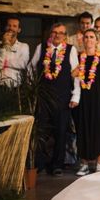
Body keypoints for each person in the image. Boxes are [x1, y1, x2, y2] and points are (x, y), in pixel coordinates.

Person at [30, 23, 80, 175]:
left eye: (61, 33)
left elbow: (76, 74)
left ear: (65, 36)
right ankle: (39, 163)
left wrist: (76, 95)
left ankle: (57, 164)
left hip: (63, 97)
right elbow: (31, 68)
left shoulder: (71, 50)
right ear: (50, 34)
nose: (57, 35)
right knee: (41, 131)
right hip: (43, 97)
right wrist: (31, 91)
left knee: (61, 131)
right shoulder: (41, 47)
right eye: (55, 32)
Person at [74, 29, 100, 176]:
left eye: (92, 37)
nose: (89, 39)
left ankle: (99, 164)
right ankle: (84, 163)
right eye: (86, 37)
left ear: (97, 40)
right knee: (83, 130)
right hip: (83, 100)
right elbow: (72, 76)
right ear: (82, 40)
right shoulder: (79, 58)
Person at [0, 15, 30, 87]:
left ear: (19, 29)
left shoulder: (24, 46)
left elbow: (22, 64)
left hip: (16, 86)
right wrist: (4, 44)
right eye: (9, 25)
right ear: (5, 27)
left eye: (14, 26)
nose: (11, 28)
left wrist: (4, 62)